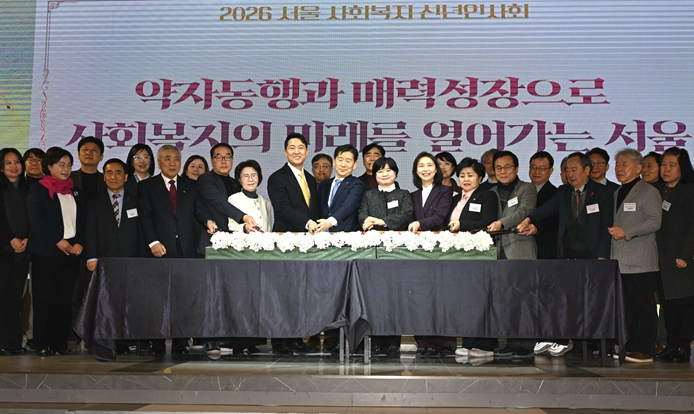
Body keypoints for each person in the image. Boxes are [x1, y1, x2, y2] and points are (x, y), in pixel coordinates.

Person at [517, 152, 614, 357]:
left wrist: (603, 256)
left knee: (593, 301)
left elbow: (607, 226)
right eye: (567, 170)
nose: (570, 174)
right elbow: (546, 210)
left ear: (587, 170)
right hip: (568, 254)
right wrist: (528, 220)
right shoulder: (563, 192)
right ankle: (569, 342)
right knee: (568, 300)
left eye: (574, 169)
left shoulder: (603, 192)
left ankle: (597, 345)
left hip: (592, 256)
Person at [138, 144, 213, 355]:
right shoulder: (147, 186)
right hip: (160, 249)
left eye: (176, 159)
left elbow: (199, 210)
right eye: (168, 159)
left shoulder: (191, 185)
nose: (172, 163)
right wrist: (153, 242)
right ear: (159, 162)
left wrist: (208, 221)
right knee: (158, 298)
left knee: (183, 297)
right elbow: (145, 217)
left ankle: (181, 341)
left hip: (186, 249)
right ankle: (158, 342)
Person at [26, 147, 85, 356]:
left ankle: (60, 343)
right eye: (61, 165)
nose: (66, 169)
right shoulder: (39, 189)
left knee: (64, 300)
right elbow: (36, 220)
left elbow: (82, 221)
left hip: (70, 253)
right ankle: (41, 343)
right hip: (46, 253)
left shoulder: (75, 191)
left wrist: (80, 243)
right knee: (44, 300)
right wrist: (56, 241)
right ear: (49, 166)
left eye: (69, 165)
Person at [84, 158, 145, 355]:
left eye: (118, 172)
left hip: (130, 261)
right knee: (106, 303)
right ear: (104, 177)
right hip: (104, 261)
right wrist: (91, 257)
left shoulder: (136, 201)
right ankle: (104, 340)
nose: (113, 177)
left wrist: (141, 260)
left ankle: (125, 341)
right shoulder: (94, 202)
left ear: (126, 176)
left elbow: (141, 233)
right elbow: (90, 232)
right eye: (109, 173)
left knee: (127, 303)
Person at [607, 148, 661, 363]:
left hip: (640, 260)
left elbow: (654, 221)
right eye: (617, 164)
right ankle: (630, 346)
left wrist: (626, 231)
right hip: (620, 260)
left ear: (638, 168)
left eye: (624, 164)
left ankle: (645, 349)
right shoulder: (617, 192)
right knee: (627, 307)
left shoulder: (648, 191)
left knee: (644, 306)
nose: (619, 168)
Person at [267, 133, 319, 355]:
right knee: (283, 293)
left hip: (306, 245)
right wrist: (307, 223)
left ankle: (296, 338)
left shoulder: (311, 179)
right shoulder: (277, 178)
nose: (296, 151)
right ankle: (280, 341)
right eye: (292, 147)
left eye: (300, 147)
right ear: (285, 151)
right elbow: (283, 208)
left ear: (307, 151)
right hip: (285, 242)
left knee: (300, 293)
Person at [358, 157, 413, 357]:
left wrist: (381, 221)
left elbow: (406, 215)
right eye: (380, 171)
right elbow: (362, 215)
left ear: (396, 173)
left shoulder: (404, 194)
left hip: (396, 252)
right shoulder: (368, 195)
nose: (384, 174)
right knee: (373, 297)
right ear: (374, 175)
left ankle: (393, 341)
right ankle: (374, 340)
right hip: (373, 253)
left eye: (389, 170)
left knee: (395, 297)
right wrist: (366, 220)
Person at [484, 150, 537, 358]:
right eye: (498, 168)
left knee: (524, 298)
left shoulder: (527, 188)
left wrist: (501, 223)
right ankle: (510, 341)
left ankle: (526, 342)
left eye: (507, 167)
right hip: (497, 252)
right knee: (504, 299)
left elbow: (524, 211)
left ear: (516, 168)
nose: (503, 171)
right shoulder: (490, 192)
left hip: (520, 248)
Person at [446, 157, 499, 359]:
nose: (466, 179)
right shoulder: (455, 199)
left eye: (470, 175)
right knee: (465, 300)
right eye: (462, 175)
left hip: (479, 255)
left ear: (480, 177)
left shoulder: (487, 195)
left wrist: (463, 224)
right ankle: (468, 342)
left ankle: (485, 344)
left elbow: (488, 221)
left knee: (480, 298)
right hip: (458, 256)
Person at [654, 147, 694, 363]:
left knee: (684, 304)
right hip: (660, 258)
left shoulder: (689, 190)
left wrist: (685, 254)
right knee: (667, 304)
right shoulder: (657, 189)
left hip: (680, 257)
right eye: (663, 164)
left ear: (682, 168)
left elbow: (692, 226)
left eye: (672, 165)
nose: (666, 169)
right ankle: (670, 345)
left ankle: (683, 347)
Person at [0, 148, 31, 355]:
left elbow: (35, 217)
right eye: (8, 162)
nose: (14, 166)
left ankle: (14, 343)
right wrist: (10, 238)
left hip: (22, 252)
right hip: (3, 249)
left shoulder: (30, 189)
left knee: (14, 298)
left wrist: (28, 238)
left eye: (17, 162)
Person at [315, 144, 365, 233]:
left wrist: (330, 222)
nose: (343, 164)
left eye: (348, 161)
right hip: (322, 235)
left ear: (355, 164)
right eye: (340, 160)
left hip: (345, 235)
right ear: (334, 162)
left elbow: (348, 206)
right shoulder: (324, 185)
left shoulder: (357, 184)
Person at [529, 151, 558, 259]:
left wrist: (537, 227)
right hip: (521, 248)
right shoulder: (520, 190)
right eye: (533, 167)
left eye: (542, 168)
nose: (537, 172)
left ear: (551, 170)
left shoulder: (556, 193)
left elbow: (555, 218)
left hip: (545, 247)